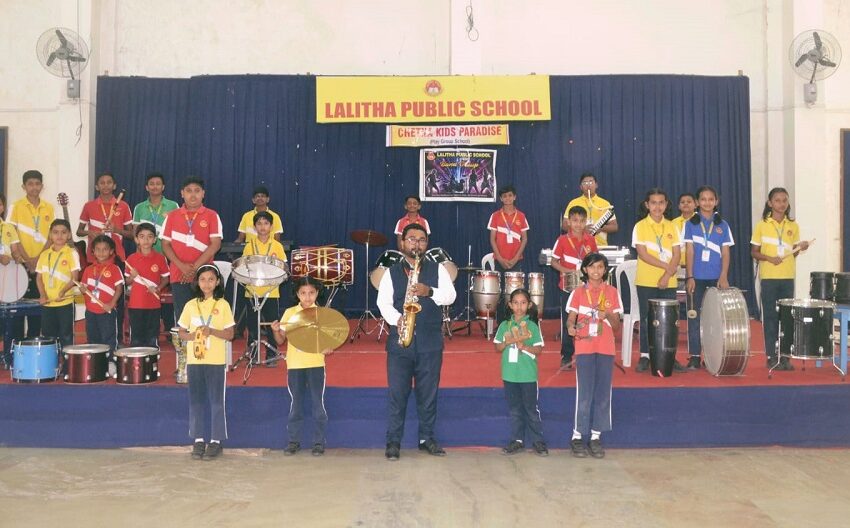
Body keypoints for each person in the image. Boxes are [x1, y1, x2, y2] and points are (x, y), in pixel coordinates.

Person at [376, 223, 457, 461]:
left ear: (426, 243)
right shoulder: (391, 272)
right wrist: (397, 319)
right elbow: (383, 304)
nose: (416, 244)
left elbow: (451, 296)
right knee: (397, 394)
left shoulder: (438, 269)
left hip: (430, 341)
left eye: (421, 240)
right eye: (411, 239)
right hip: (401, 343)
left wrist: (429, 291)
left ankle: (427, 438)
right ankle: (393, 441)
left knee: (428, 393)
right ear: (402, 243)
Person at [271, 277, 335, 456]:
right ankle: (293, 441)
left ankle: (318, 442)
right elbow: (280, 341)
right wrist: (276, 331)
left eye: (311, 293)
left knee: (318, 404)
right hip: (295, 365)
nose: (307, 297)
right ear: (297, 294)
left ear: (317, 293)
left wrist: (328, 347)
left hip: (315, 364)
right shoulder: (290, 313)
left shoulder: (322, 313)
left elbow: (328, 340)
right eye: (303, 293)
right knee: (296, 404)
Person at [566, 253, 622, 459]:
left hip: (606, 348)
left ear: (605, 270)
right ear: (585, 270)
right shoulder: (578, 293)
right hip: (584, 348)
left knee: (602, 394)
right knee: (585, 393)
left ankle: (596, 436)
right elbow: (570, 319)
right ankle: (577, 436)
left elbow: (616, 326)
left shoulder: (613, 293)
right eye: (591, 267)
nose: (596, 271)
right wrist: (571, 327)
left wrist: (607, 315)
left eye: (600, 267)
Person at [177, 264, 235, 461]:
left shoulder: (223, 305)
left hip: (216, 361)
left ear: (218, 282)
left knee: (217, 402)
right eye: (203, 279)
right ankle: (199, 439)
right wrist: (193, 335)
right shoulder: (191, 305)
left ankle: (216, 441)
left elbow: (230, 334)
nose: (207, 283)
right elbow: (181, 332)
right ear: (197, 282)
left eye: (211, 279)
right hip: (195, 361)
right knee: (196, 401)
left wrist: (212, 332)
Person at [751, 187, 808, 371]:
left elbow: (793, 254)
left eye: (784, 200)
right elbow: (754, 252)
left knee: (787, 318)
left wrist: (799, 248)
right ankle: (771, 356)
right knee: (771, 318)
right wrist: (769, 258)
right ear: (770, 203)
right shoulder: (761, 225)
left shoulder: (793, 226)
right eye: (777, 200)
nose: (781, 204)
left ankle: (784, 356)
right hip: (769, 279)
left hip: (787, 278)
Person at [631, 188, 685, 373]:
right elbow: (643, 254)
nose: (657, 206)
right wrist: (667, 268)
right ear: (647, 205)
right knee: (648, 319)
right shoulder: (640, 226)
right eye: (653, 203)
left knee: (670, 321)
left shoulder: (673, 226)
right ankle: (645, 355)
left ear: (666, 205)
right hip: (646, 281)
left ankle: (669, 355)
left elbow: (677, 254)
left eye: (661, 202)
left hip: (669, 281)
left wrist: (667, 275)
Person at [161, 176, 224, 331]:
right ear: (182, 193)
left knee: (207, 318)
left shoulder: (211, 215)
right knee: (184, 319)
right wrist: (182, 267)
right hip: (178, 274)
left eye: (197, 191)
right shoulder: (172, 216)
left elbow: (215, 244)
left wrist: (194, 268)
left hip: (205, 275)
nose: (193, 195)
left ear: (203, 193)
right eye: (189, 191)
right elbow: (165, 245)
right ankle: (186, 354)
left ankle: (207, 354)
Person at [683, 186, 734, 369]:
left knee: (715, 318)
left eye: (710, 199)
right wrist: (689, 276)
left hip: (716, 278)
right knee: (694, 316)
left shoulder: (723, 225)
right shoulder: (690, 224)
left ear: (716, 201)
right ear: (697, 202)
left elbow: (726, 253)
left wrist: (723, 276)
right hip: (696, 277)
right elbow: (689, 251)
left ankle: (713, 356)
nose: (707, 202)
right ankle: (695, 356)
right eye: (703, 199)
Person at [493, 288, 548, 457]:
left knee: (531, 409)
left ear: (529, 304)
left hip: (527, 375)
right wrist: (506, 342)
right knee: (515, 409)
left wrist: (525, 347)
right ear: (510, 305)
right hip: (510, 375)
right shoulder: (504, 325)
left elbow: (539, 349)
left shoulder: (531, 325)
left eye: (523, 303)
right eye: (515, 303)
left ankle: (537, 440)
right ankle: (517, 440)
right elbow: (497, 347)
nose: (519, 307)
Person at [8, 169, 55, 339]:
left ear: (42, 186)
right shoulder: (16, 206)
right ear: (24, 186)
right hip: (20, 262)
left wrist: (38, 259)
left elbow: (52, 235)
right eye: (30, 184)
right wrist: (27, 259)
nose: (34, 187)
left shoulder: (48, 207)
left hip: (41, 265)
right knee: (18, 307)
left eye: (37, 184)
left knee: (38, 306)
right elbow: (11, 233)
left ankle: (34, 342)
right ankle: (16, 346)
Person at [551, 206, 598, 369]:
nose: (578, 224)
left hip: (586, 288)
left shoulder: (590, 240)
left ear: (586, 222)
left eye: (582, 221)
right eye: (575, 221)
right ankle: (566, 355)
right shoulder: (562, 240)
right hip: (568, 287)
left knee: (587, 319)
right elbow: (554, 262)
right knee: (569, 322)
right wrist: (568, 271)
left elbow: (595, 262)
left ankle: (589, 351)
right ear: (569, 222)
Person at [241, 211, 286, 365]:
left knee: (272, 323)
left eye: (266, 223)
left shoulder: (277, 246)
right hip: (252, 291)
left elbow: (283, 268)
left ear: (271, 226)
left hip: (271, 291)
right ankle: (252, 354)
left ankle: (271, 355)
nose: (262, 226)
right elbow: (245, 267)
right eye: (259, 223)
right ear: (254, 227)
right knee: (252, 324)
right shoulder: (249, 246)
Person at [81, 235, 124, 372]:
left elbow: (119, 288)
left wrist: (111, 303)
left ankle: (111, 361)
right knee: (92, 337)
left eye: (105, 249)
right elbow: (84, 289)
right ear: (92, 251)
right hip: (91, 311)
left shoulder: (114, 269)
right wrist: (82, 290)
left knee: (109, 337)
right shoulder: (88, 270)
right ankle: (95, 362)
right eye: (97, 249)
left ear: (111, 251)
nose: (101, 252)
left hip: (107, 311)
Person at [36, 219, 80, 349]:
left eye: (63, 232)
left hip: (65, 303)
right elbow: (39, 278)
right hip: (48, 303)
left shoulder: (72, 253)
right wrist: (42, 295)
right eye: (55, 232)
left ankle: (67, 366)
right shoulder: (44, 254)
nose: (59, 236)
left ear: (69, 235)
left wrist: (63, 291)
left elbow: (75, 278)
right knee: (48, 337)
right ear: (50, 235)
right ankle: (52, 366)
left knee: (66, 336)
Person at [487, 184, 529, 322]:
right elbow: (492, 239)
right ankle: (500, 323)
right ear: (501, 198)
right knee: (500, 293)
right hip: (500, 260)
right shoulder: (495, 216)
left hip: (516, 260)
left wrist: (516, 258)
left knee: (515, 293)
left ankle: (516, 321)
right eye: (504, 196)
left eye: (510, 195)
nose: (508, 198)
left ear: (514, 197)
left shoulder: (521, 216)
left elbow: (524, 239)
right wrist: (499, 258)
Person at [125, 223, 170, 348]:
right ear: (136, 239)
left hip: (154, 304)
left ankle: (153, 365)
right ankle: (137, 366)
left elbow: (166, 278)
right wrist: (132, 277)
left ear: (155, 239)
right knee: (137, 340)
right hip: (135, 304)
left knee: (152, 339)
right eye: (142, 236)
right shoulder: (131, 259)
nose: (146, 240)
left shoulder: (160, 258)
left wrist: (158, 288)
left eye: (150, 237)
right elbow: (126, 282)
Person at [77, 172, 134, 263]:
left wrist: (116, 230)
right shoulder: (89, 206)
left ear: (114, 186)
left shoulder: (123, 206)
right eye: (102, 183)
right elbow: (79, 232)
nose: (106, 185)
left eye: (109, 182)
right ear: (97, 187)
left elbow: (132, 235)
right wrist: (89, 232)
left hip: (117, 257)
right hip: (94, 258)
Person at [564, 173, 618, 247]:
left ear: (596, 185)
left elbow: (614, 227)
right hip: (578, 246)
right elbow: (564, 225)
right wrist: (582, 229)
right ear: (581, 187)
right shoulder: (573, 203)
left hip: (600, 246)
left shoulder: (605, 203)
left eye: (591, 182)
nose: (588, 185)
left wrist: (601, 228)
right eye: (585, 182)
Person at [132, 173, 179, 254]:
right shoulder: (139, 207)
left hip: (167, 254)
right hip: (144, 253)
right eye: (151, 184)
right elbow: (135, 232)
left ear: (163, 187)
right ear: (147, 187)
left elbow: (178, 231)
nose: (155, 187)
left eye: (158, 184)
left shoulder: (173, 206)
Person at [0, 193, 21, 367]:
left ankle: (7, 356)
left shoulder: (8, 227)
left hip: (6, 279)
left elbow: (14, 249)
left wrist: (17, 257)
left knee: (8, 319)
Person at [673, 192, 696, 269]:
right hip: (677, 265)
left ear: (695, 205)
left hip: (696, 265)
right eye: (682, 202)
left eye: (689, 202)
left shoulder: (701, 222)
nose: (685, 204)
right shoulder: (673, 223)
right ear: (679, 206)